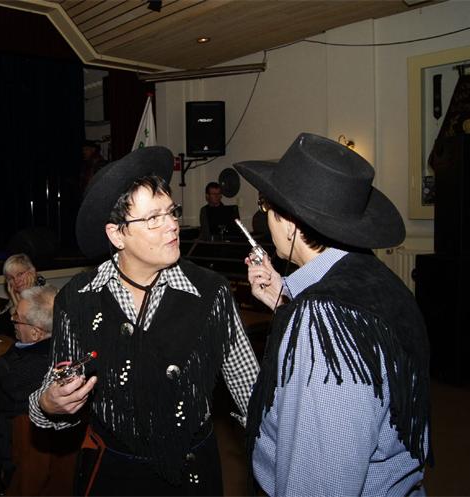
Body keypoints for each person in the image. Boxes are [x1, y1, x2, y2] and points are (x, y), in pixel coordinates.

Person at [29, 146, 259, 495]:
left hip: (192, 474)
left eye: (171, 212)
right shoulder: (78, 299)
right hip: (115, 475)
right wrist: (49, 403)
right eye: (153, 219)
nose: (172, 225)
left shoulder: (210, 292)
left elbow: (249, 390)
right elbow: (59, 381)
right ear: (117, 234)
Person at [235, 133, 431, 496]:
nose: (264, 218)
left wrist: (304, 313)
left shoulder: (326, 324)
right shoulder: (376, 279)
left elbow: (320, 479)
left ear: (290, 223)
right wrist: (284, 299)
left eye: (266, 206)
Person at [0, 285, 58, 492]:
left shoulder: (14, 373)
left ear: (35, 332)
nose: (12, 319)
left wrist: (15, 351)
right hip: (57, 467)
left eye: (17, 318)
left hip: (18, 465)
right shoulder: (68, 351)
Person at [0, 253, 46, 338]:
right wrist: (16, 303)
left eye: (20, 274)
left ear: (32, 272)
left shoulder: (47, 298)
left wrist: (19, 304)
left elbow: (31, 335)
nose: (16, 281)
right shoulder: (14, 300)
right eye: (11, 278)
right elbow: (0, 326)